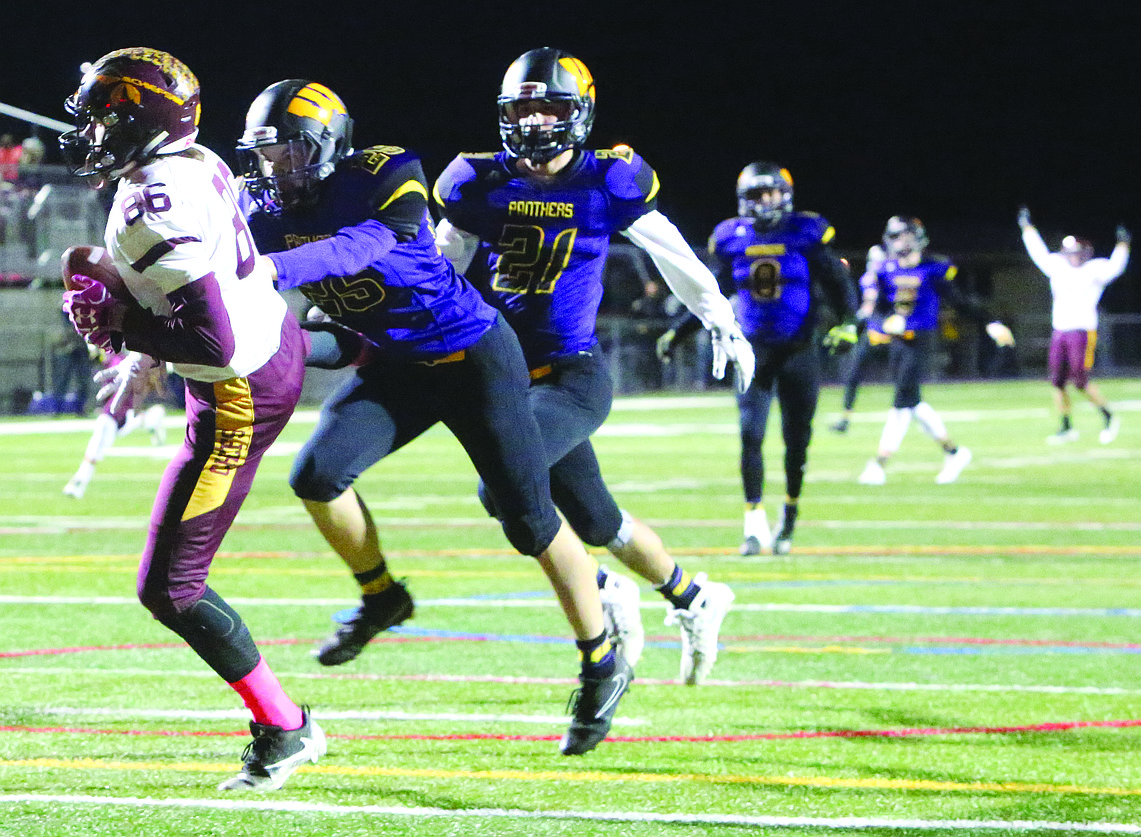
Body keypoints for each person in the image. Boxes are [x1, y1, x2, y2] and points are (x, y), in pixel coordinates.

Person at [238, 78, 630, 753]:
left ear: (328, 145)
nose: (277, 169)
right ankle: (381, 594)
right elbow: (310, 323)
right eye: (266, 155)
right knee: (316, 474)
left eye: (291, 153)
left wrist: (263, 267)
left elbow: (355, 250)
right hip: (395, 363)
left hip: (474, 357)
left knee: (527, 517)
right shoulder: (260, 212)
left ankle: (602, 658)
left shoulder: (385, 175)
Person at [432, 48, 752, 685]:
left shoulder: (609, 179)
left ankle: (603, 589)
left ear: (580, 113)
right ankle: (693, 596)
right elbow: (440, 267)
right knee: (599, 518)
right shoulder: (480, 180)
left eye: (549, 107)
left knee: (502, 486)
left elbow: (672, 251)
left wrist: (720, 316)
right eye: (523, 107)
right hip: (507, 377)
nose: (534, 122)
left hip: (573, 373)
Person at [58, 48, 324, 791]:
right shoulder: (193, 157)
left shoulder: (152, 207)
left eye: (105, 115)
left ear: (140, 119)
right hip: (273, 339)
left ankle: (287, 728)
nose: (91, 130)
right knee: (168, 580)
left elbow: (212, 342)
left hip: (237, 386)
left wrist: (120, 330)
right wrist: (124, 308)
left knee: (170, 586)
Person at [660, 162, 858, 556]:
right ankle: (753, 524)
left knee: (796, 441)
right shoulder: (731, 237)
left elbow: (836, 281)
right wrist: (680, 330)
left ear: (784, 195)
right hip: (752, 351)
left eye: (768, 194)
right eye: (754, 195)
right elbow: (710, 293)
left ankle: (789, 515)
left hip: (799, 349)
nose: (762, 203)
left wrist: (849, 322)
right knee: (751, 435)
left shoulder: (805, 232)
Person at [856, 216, 1014, 486]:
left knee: (901, 402)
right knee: (912, 402)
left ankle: (879, 463)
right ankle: (954, 452)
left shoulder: (934, 267)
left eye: (903, 236)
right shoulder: (886, 269)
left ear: (916, 237)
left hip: (920, 339)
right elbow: (878, 309)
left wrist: (990, 321)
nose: (899, 242)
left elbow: (960, 301)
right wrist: (882, 323)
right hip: (897, 341)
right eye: (894, 237)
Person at [1017, 207, 1129, 444]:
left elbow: (1116, 267)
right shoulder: (1057, 266)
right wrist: (1027, 229)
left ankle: (1108, 416)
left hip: (1082, 330)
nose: (1072, 256)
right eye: (1069, 252)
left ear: (1084, 253)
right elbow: (1038, 252)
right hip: (1060, 330)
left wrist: (1122, 245)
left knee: (1079, 380)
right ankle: (1066, 427)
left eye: (1076, 252)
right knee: (1057, 381)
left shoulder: (1094, 270)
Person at [62, 347, 169, 499]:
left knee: (95, 447)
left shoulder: (117, 360)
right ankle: (153, 416)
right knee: (101, 443)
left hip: (116, 413)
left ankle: (78, 483)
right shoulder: (113, 360)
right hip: (120, 413)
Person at [828, 242, 889, 434]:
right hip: (876, 333)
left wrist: (851, 323)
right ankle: (845, 419)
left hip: (889, 335)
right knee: (853, 374)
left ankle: (908, 408)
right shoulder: (873, 278)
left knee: (856, 375)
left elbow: (868, 309)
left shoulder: (884, 277)